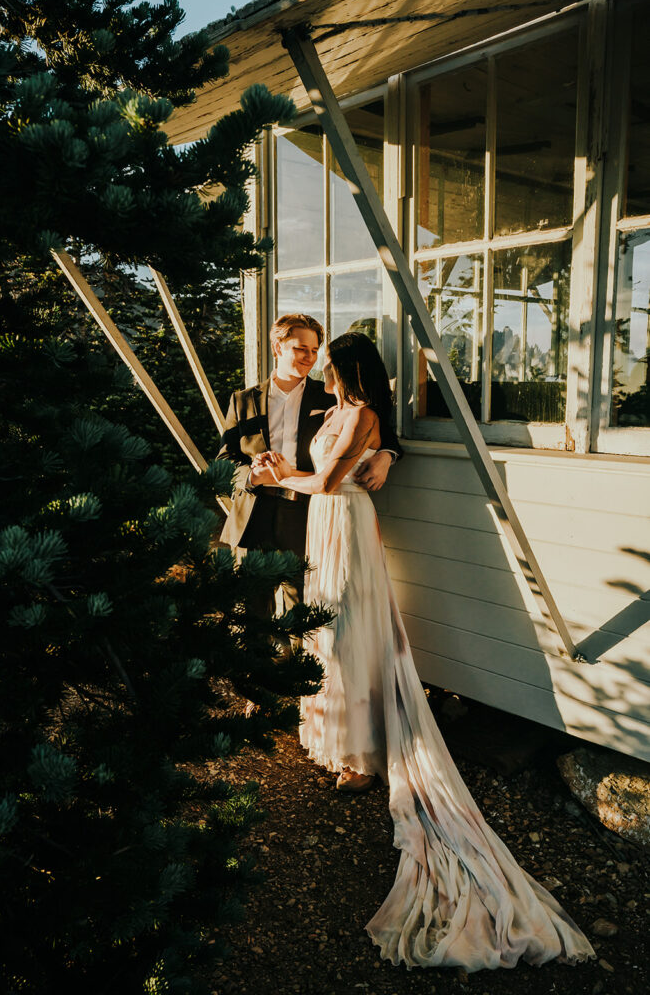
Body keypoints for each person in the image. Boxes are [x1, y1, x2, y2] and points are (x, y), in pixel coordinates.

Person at [257, 331, 595, 973]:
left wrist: (285, 475)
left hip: (342, 519)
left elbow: (328, 481)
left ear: (345, 369)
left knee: (352, 626)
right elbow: (345, 461)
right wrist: (373, 454)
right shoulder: (337, 413)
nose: (320, 371)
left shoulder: (359, 414)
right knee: (328, 629)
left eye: (326, 363)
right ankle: (333, 730)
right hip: (326, 527)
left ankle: (361, 751)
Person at [217, 314, 401, 618]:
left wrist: (387, 456)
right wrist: (253, 476)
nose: (310, 357)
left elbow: (379, 430)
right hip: (253, 516)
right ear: (278, 347)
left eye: (315, 350)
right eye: (301, 348)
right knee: (252, 614)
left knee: (305, 615)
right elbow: (224, 462)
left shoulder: (331, 394)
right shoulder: (242, 400)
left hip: (306, 515)